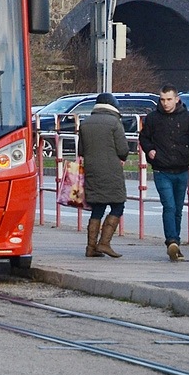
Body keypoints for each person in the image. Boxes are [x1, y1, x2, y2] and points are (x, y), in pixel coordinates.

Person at [139, 83, 189, 262]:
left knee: (177, 209)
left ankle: (176, 244)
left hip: (181, 169)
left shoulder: (187, 118)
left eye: (169, 99)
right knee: (169, 206)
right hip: (161, 169)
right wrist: (150, 150)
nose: (165, 103)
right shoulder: (153, 118)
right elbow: (144, 138)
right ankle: (171, 241)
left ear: (177, 99)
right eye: (162, 100)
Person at [77, 93, 130, 258]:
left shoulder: (85, 123)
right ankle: (104, 243)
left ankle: (91, 247)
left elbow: (81, 150)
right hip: (111, 171)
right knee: (118, 205)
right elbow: (123, 150)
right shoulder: (114, 122)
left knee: (98, 207)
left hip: (92, 170)